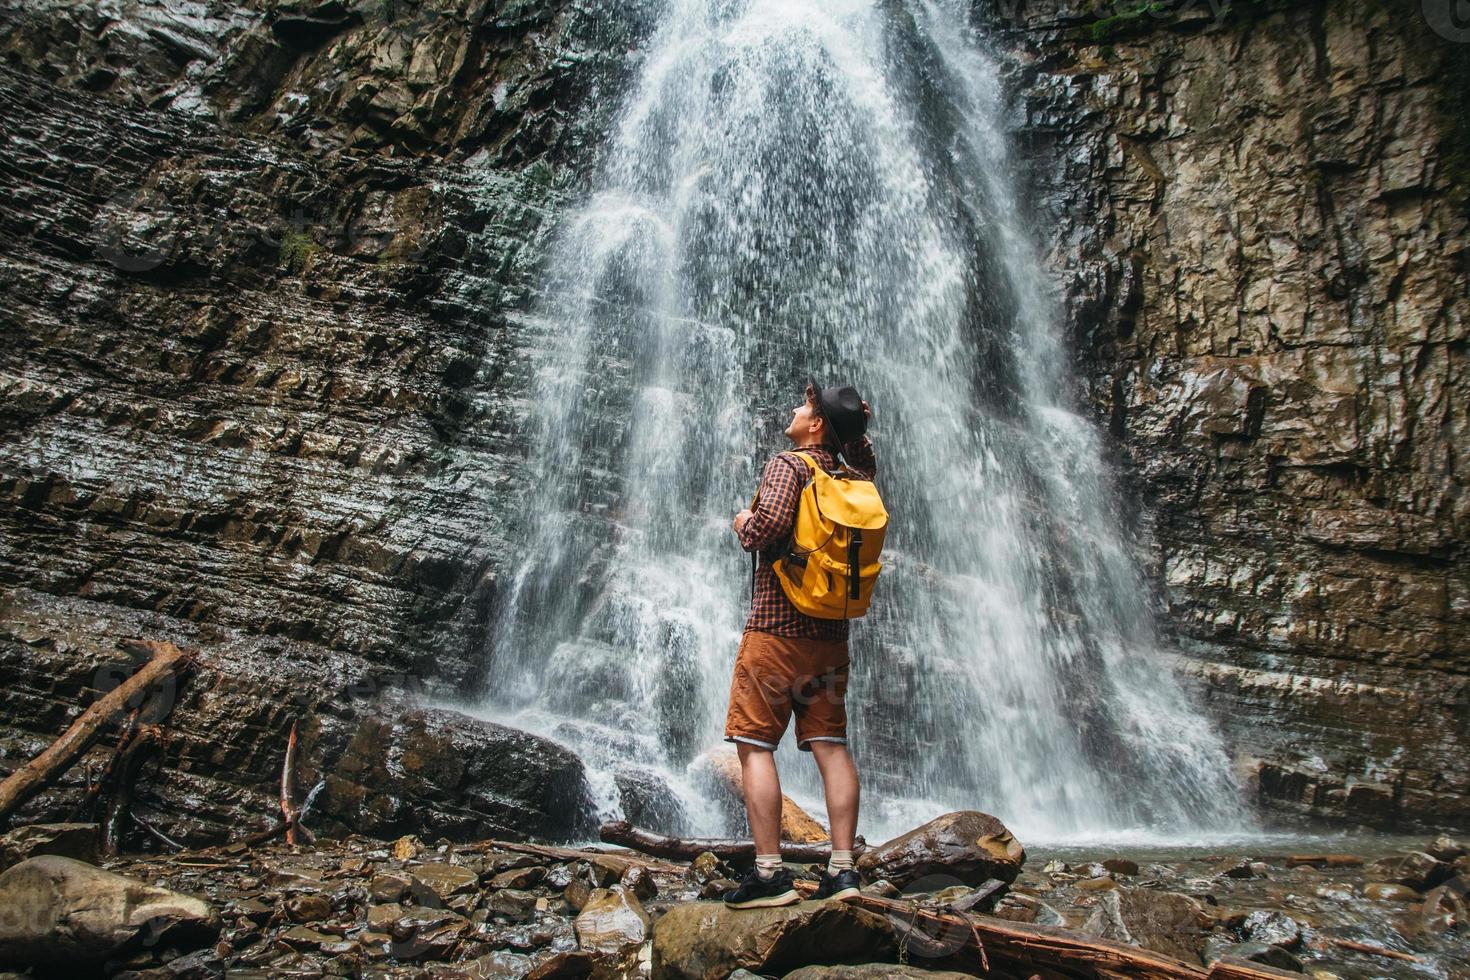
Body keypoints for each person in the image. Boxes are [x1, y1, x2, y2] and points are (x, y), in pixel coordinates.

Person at [722, 378, 876, 909]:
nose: (793, 408)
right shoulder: (854, 476)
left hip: (776, 633)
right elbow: (861, 455)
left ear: (813, 426)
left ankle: (768, 876)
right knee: (831, 747)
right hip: (831, 639)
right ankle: (843, 870)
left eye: (805, 405)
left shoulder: (789, 466)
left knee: (755, 744)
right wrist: (857, 427)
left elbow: (766, 529)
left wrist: (742, 521)